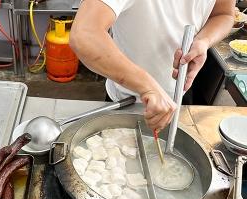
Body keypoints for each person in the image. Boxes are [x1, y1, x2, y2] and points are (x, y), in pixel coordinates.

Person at [69, 0, 234, 131]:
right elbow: (85, 33)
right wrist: (148, 87)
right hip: (125, 100)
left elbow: (224, 13)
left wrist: (203, 41)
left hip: (180, 93)